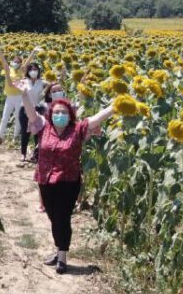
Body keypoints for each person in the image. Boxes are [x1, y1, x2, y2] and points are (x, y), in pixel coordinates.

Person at [17, 79, 113, 274]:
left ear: (70, 116)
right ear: (51, 115)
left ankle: (62, 257)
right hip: (45, 179)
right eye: (57, 112)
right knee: (53, 217)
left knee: (63, 217)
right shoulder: (43, 127)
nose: (60, 115)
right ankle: (58, 248)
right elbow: (30, 113)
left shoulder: (78, 130)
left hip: (69, 181)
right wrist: (25, 94)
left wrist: (115, 106)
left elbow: (98, 117)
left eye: (64, 112)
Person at [1, 56, 47, 164]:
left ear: (38, 71)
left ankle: (36, 155)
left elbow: (54, 85)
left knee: (37, 134)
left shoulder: (42, 82)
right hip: (24, 109)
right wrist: (7, 74)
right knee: (25, 133)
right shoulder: (24, 81)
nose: (33, 71)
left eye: (35, 69)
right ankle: (23, 154)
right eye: (31, 70)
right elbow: (11, 85)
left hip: (37, 110)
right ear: (28, 71)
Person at [0, 46, 42, 145]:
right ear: (12, 62)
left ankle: (15, 138)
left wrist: (33, 51)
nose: (16, 63)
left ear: (20, 64)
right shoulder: (8, 69)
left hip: (19, 97)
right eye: (14, 61)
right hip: (9, 97)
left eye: (18, 62)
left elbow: (28, 61)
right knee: (5, 117)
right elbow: (3, 62)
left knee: (18, 118)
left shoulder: (22, 70)